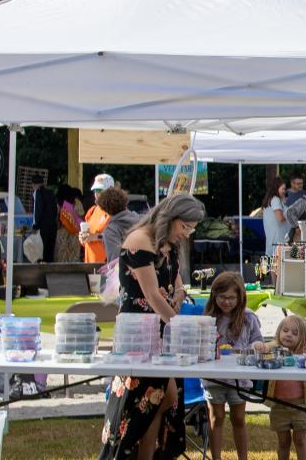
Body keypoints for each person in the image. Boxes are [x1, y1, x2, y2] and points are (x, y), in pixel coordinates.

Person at [98, 194, 204, 459]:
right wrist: (182, 328)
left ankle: (149, 454)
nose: (187, 233)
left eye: (191, 228)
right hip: (138, 338)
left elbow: (177, 281)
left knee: (161, 401)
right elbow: (152, 295)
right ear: (170, 218)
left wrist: (179, 293)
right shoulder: (140, 241)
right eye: (185, 227)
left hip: (162, 335)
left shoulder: (167, 243)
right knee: (145, 404)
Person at [204, 272, 262, 460]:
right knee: (216, 417)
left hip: (239, 378)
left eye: (231, 298)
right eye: (221, 297)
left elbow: (258, 341)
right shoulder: (209, 318)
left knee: (238, 418)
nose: (226, 302)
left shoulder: (248, 318)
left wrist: (254, 347)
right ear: (214, 296)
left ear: (240, 297)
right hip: (214, 377)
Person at [268, 315, 306, 460]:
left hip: (301, 404)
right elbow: (262, 346)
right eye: (285, 330)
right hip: (279, 405)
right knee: (283, 442)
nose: (288, 335)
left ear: (303, 338)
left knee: (300, 440)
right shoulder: (274, 349)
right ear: (279, 331)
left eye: (295, 333)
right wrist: (259, 345)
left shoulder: (304, 354)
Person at [79, 175, 119, 263]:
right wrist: (83, 238)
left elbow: (118, 237)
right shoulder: (92, 211)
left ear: (110, 191)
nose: (96, 194)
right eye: (95, 190)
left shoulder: (116, 211)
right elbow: (87, 238)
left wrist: (95, 237)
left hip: (108, 266)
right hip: (89, 264)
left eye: (99, 190)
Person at [99, 187, 141, 260]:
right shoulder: (143, 220)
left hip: (127, 269)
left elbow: (115, 261)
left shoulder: (111, 230)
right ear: (125, 201)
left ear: (105, 209)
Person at [261, 177, 292, 257]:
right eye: (283, 189)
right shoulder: (275, 200)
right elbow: (280, 218)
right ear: (276, 188)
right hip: (278, 245)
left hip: (274, 244)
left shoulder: (273, 200)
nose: (284, 191)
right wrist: (291, 213)